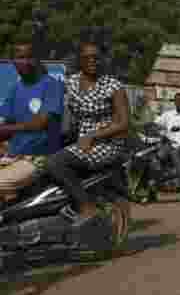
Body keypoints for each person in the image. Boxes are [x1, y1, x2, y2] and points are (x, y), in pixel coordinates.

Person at [44, 29, 131, 226]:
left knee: (55, 163)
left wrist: (93, 136)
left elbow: (124, 123)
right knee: (41, 164)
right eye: (87, 57)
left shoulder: (113, 85)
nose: (92, 61)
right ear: (79, 60)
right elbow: (64, 114)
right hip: (82, 140)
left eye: (96, 57)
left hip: (107, 143)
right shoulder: (72, 82)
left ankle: (87, 206)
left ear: (102, 59)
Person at [0, 28, 64, 200]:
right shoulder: (15, 90)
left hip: (40, 158)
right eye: (20, 57)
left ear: (37, 60)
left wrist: (8, 129)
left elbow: (41, 123)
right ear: (12, 61)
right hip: (13, 156)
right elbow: (4, 124)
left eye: (30, 57)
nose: (26, 62)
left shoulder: (51, 85)